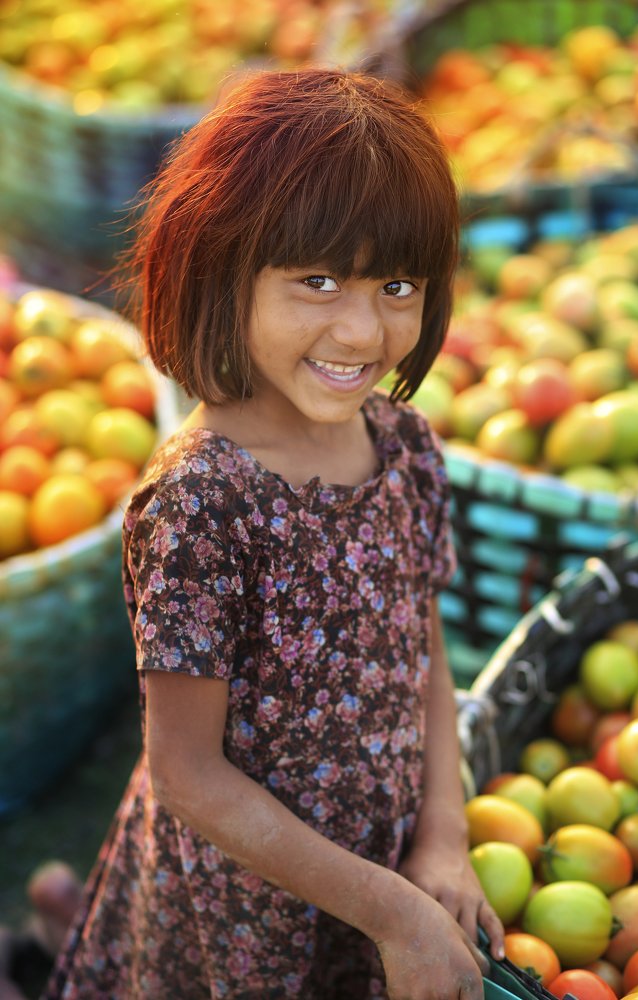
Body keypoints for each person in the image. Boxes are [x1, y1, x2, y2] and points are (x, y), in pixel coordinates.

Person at [44, 67, 504, 1000]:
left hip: (383, 861)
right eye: (319, 280)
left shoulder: (406, 446)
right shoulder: (202, 505)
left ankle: (59, 926)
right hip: (249, 903)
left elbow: (422, 645)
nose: (363, 329)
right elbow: (188, 776)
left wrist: (442, 842)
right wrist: (390, 912)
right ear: (222, 268)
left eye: (398, 284)